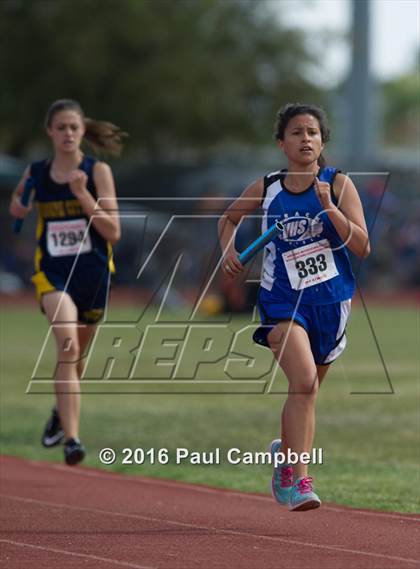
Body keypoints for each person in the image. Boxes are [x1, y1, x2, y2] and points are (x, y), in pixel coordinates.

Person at [218, 103, 370, 511]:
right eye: (297, 133)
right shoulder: (268, 186)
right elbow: (228, 220)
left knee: (309, 391)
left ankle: (283, 456)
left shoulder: (337, 184)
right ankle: (298, 479)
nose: (306, 139)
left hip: (331, 300)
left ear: (322, 141)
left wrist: (330, 207)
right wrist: (228, 251)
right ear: (281, 142)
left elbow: (362, 246)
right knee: (303, 381)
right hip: (284, 300)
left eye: (313, 133)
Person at [9, 99, 126, 465]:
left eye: (74, 127)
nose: (68, 134)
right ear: (50, 131)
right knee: (68, 345)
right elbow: (19, 198)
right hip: (52, 273)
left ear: (82, 130)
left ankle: (61, 412)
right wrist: (18, 206)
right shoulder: (37, 172)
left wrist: (82, 195)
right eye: (61, 127)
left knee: (77, 353)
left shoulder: (97, 171)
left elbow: (113, 231)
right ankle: (73, 439)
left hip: (92, 273)